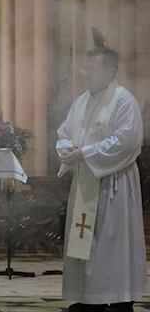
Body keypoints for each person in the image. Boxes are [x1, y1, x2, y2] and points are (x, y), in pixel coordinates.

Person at [56, 45, 145, 312]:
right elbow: (64, 132)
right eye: (85, 68)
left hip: (114, 184)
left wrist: (83, 153)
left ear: (110, 70)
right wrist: (67, 150)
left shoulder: (123, 100)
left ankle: (118, 298)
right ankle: (88, 299)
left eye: (93, 69)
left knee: (112, 244)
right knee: (88, 244)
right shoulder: (81, 101)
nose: (86, 74)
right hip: (86, 182)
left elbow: (125, 142)